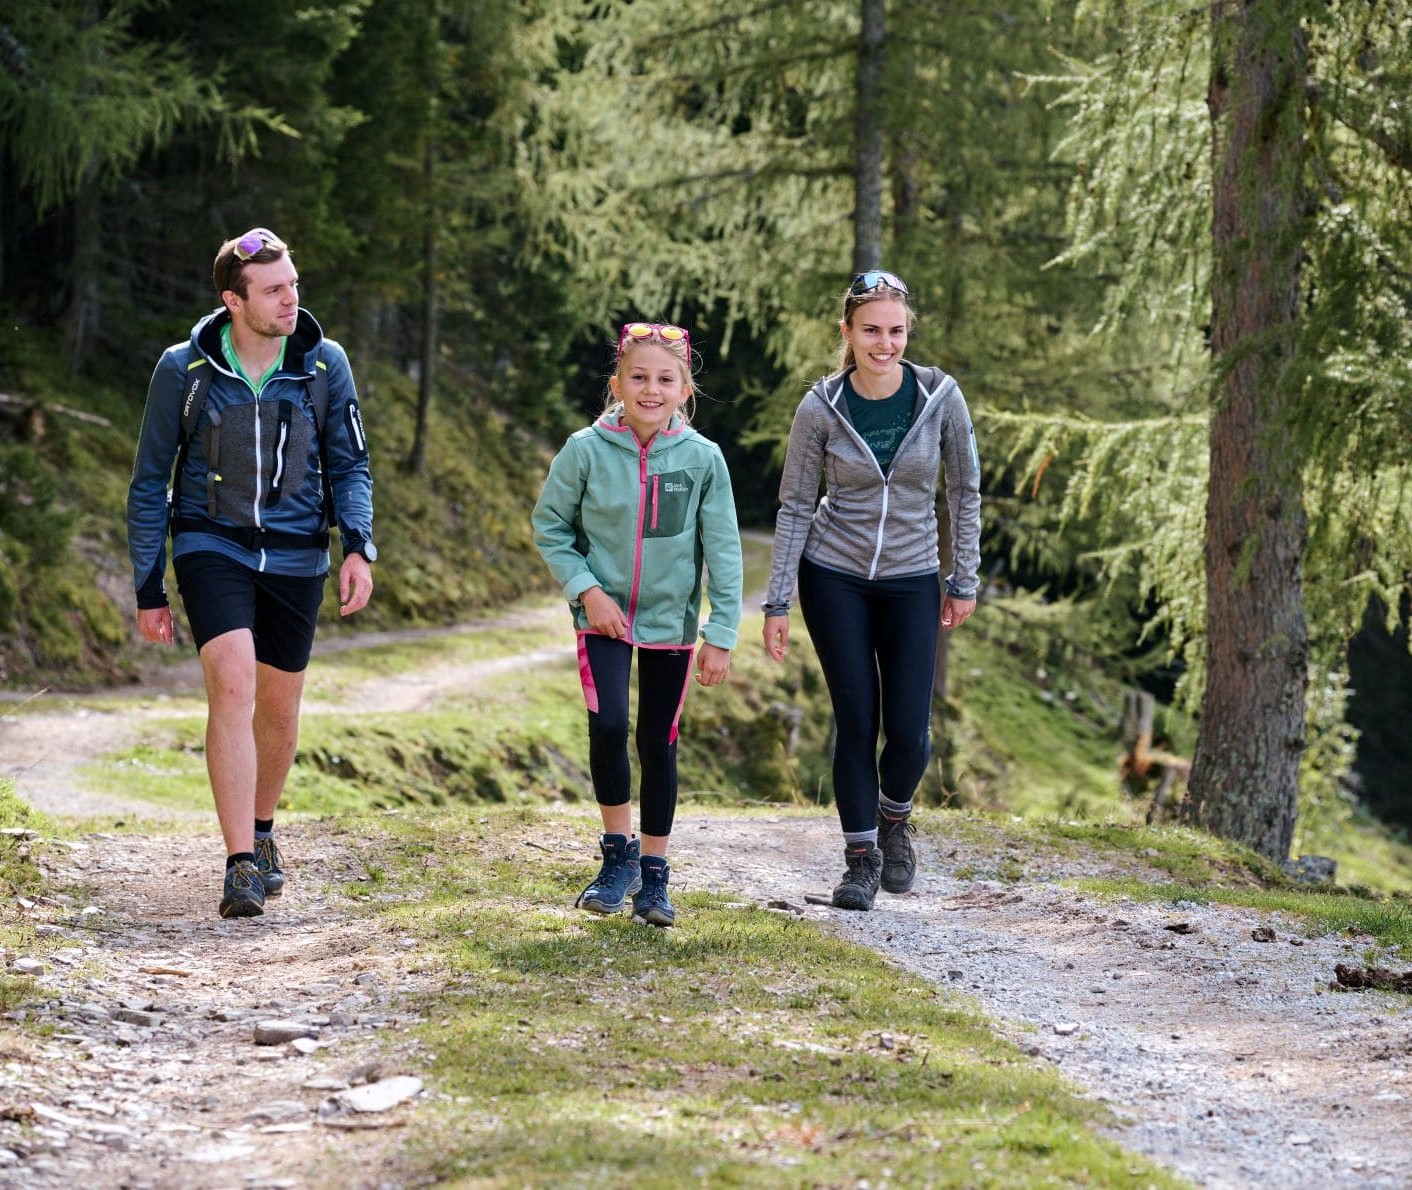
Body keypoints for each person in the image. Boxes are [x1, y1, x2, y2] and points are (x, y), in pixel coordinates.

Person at [126, 227, 376, 919]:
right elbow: (150, 482)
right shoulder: (185, 369)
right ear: (233, 301)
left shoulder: (325, 365)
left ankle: (263, 830)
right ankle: (239, 863)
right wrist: (150, 585)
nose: (290, 298)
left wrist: (358, 546)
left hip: (299, 551)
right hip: (213, 543)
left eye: (293, 284)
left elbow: (350, 464)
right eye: (274, 290)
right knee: (232, 682)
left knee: (279, 707)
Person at [761, 269, 981, 911]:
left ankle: (894, 820)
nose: (885, 343)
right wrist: (778, 601)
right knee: (856, 721)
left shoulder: (941, 397)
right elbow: (796, 504)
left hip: (913, 576)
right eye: (871, 331)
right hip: (834, 577)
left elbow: (963, 491)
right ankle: (860, 860)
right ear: (848, 333)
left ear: (907, 331)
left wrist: (961, 576)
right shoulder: (820, 407)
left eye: (896, 331)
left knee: (910, 733)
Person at [532, 321, 742, 927]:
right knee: (609, 726)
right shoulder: (584, 450)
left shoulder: (705, 459)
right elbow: (552, 528)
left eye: (665, 379)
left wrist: (720, 633)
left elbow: (724, 550)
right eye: (639, 377)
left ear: (685, 388)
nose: (651, 389)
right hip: (602, 618)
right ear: (618, 382)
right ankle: (616, 856)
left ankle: (654, 875)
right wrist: (587, 591)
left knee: (658, 739)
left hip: (672, 625)